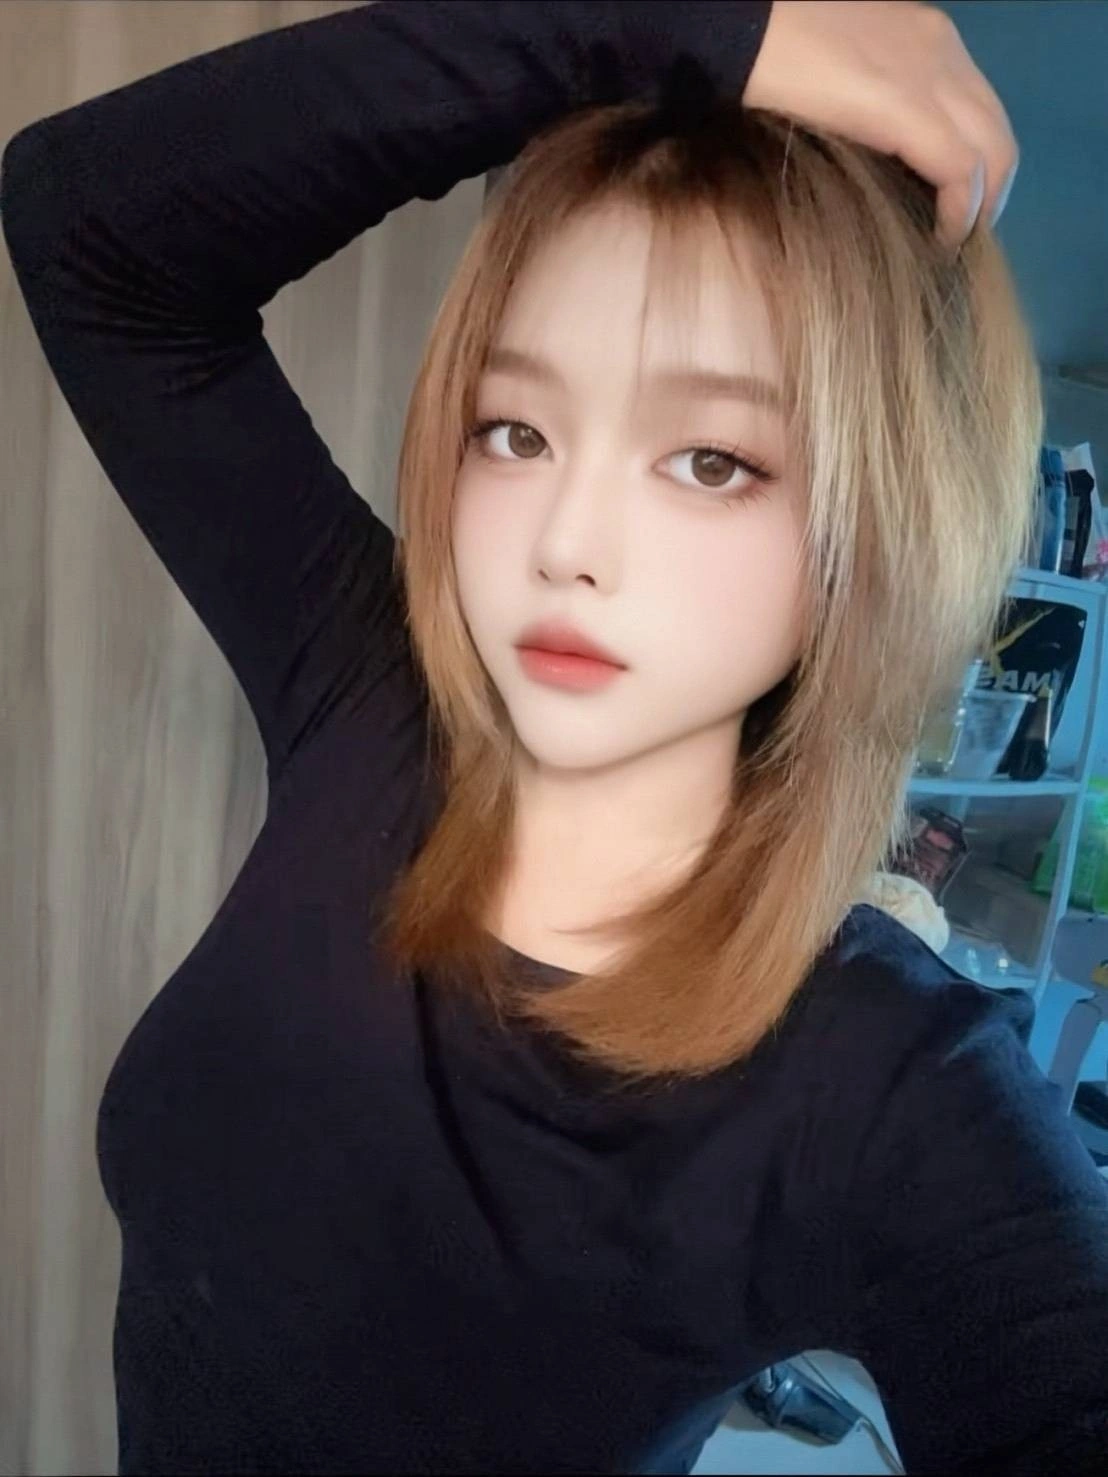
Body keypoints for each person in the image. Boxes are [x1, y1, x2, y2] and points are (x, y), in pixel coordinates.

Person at [2, 1, 1105, 1473]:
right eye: (515, 432)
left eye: (711, 460)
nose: (565, 544)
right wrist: (665, 29)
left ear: (881, 528)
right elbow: (88, 223)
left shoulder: (895, 1090)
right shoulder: (371, 702)